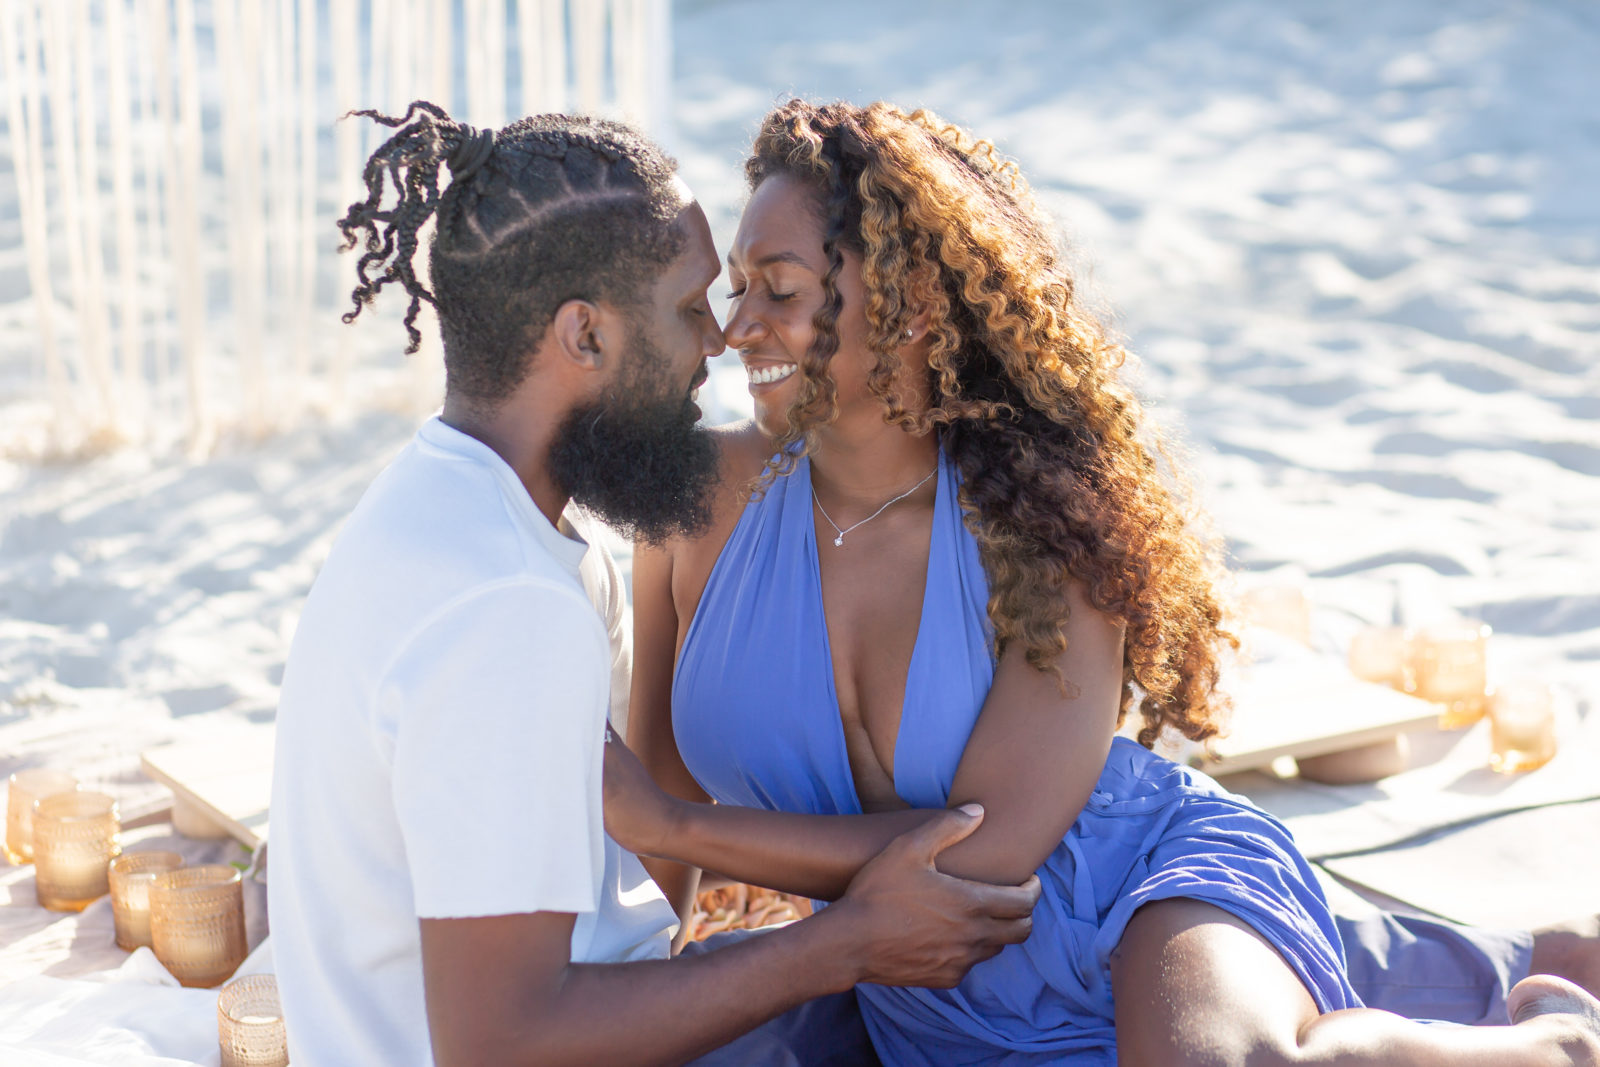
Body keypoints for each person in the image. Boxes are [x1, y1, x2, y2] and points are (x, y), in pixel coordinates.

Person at [617, 98, 1600, 1066]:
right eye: (738, 286)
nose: (735, 327)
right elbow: (657, 819)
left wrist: (677, 824)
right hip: (922, 992)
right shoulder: (693, 502)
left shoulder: (1044, 518)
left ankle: (1552, 1041)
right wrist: (642, 976)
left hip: (1134, 894)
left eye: (778, 290)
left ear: (913, 304)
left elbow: (977, 860)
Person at [266, 101, 1041, 1067]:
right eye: (688, 308)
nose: (718, 341)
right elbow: (503, 1042)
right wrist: (839, 944)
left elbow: (622, 866)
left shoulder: (447, 511)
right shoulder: (506, 610)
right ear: (585, 335)